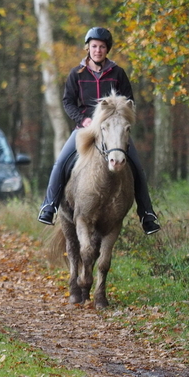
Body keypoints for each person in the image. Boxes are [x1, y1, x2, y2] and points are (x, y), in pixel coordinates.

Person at [37, 27, 161, 235]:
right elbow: (68, 102)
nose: (98, 50)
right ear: (88, 48)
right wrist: (82, 119)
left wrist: (120, 119)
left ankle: (147, 214)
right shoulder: (76, 74)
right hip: (85, 129)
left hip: (113, 131)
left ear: (107, 50)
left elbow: (129, 101)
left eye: (102, 47)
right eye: (94, 46)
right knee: (61, 163)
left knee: (137, 167)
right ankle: (49, 206)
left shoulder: (118, 73)